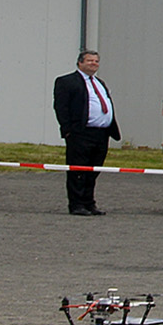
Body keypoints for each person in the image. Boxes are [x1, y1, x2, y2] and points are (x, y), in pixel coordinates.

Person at [53, 49, 121, 215]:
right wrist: (68, 130)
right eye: (90, 61)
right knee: (78, 171)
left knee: (94, 170)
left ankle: (89, 202)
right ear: (80, 63)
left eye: (96, 61)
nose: (94, 64)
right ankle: (76, 204)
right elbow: (61, 107)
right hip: (80, 133)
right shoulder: (67, 81)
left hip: (101, 134)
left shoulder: (99, 83)